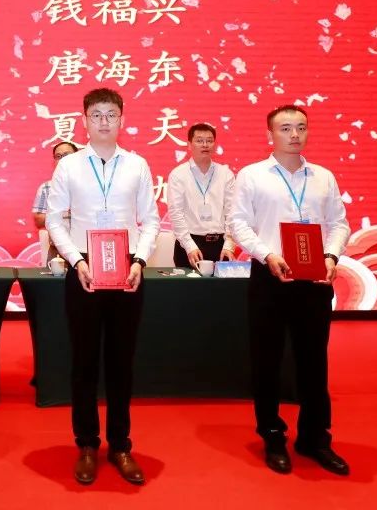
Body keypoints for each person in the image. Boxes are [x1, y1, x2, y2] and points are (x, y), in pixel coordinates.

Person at [46, 87, 160, 486]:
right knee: (84, 362)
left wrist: (140, 260)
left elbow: (151, 219)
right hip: (84, 269)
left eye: (111, 114)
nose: (104, 122)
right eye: (96, 115)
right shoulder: (69, 166)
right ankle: (87, 444)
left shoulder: (137, 165)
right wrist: (75, 260)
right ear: (85, 121)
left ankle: (121, 444)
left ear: (122, 119)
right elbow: (55, 219)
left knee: (121, 362)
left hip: (127, 271)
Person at [229, 104, 351, 476]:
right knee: (266, 360)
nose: (294, 134)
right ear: (270, 134)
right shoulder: (252, 176)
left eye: (300, 127)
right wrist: (267, 254)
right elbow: (238, 223)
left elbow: (339, 223)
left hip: (315, 280)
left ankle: (315, 438)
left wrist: (331, 256)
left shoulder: (323, 177)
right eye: (285, 128)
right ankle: (272, 435)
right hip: (270, 277)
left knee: (314, 360)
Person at [165, 123, 237, 269]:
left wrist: (229, 244)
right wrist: (189, 246)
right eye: (199, 140)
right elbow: (176, 213)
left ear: (214, 145)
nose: (205, 145)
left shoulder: (225, 174)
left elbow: (232, 212)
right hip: (189, 245)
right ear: (189, 145)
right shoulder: (178, 174)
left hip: (220, 245)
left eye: (209, 141)